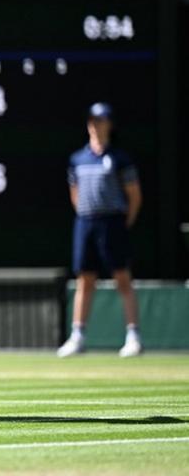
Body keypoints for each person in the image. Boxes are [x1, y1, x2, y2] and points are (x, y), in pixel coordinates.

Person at [58, 103, 143, 358]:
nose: (96, 125)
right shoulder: (77, 159)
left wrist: (123, 222)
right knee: (85, 279)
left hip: (113, 222)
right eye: (93, 120)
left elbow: (135, 197)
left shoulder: (120, 159)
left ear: (109, 124)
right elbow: (75, 194)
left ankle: (133, 335)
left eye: (101, 120)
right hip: (85, 222)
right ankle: (78, 336)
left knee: (122, 278)